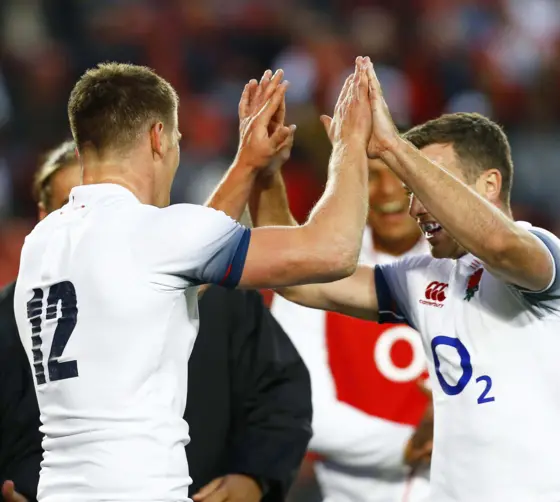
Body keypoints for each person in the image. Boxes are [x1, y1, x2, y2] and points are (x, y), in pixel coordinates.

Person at [12, 57, 372, 502]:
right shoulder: (153, 235)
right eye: (178, 138)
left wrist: (246, 164)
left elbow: (167, 277)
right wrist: (351, 145)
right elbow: (333, 251)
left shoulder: (42, 241)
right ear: (158, 138)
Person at [250, 63, 560, 502]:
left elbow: (499, 244)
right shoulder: (425, 280)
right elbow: (299, 279)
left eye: (424, 183)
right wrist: (268, 173)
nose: (414, 207)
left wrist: (393, 146)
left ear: (490, 184)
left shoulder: (546, 258)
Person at [0, 138, 313, 502]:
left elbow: (281, 396)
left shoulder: (223, 302)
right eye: (73, 208)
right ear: (43, 218)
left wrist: (255, 477)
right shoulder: (8, 318)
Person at [270, 154, 433, 501]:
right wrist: (406, 446)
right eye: (372, 176)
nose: (388, 190)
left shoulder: (470, 270)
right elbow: (299, 404)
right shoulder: (315, 272)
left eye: (402, 177)